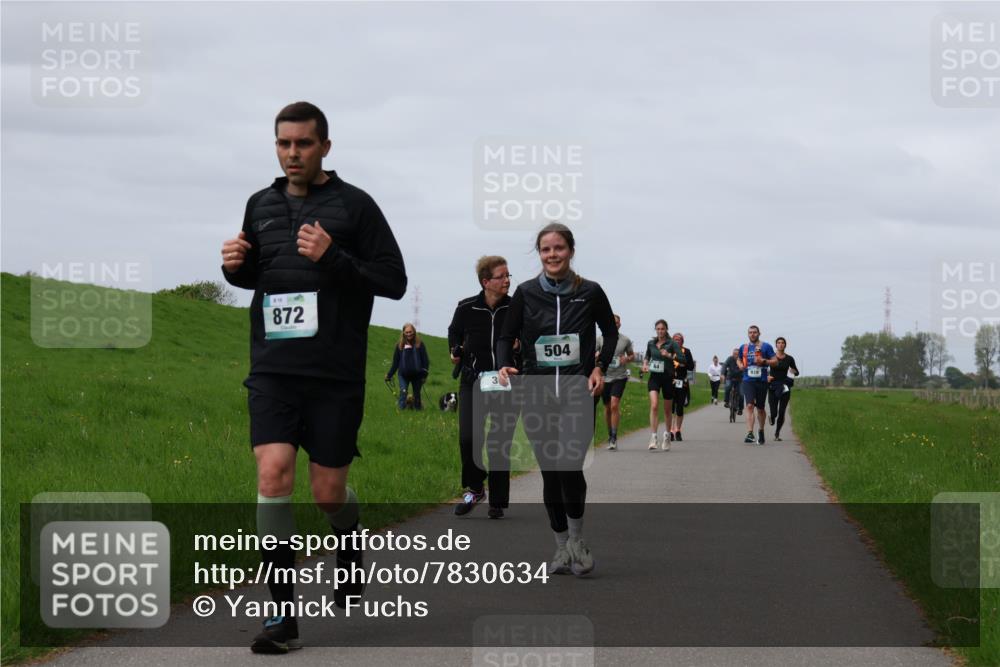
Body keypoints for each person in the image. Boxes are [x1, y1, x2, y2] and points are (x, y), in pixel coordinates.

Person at [221, 101, 407, 653]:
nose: (293, 153)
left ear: (325, 146)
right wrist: (234, 268)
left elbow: (393, 281)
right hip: (274, 370)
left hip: (334, 375)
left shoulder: (356, 206)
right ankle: (281, 616)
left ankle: (347, 538)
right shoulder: (260, 203)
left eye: (303, 143)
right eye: (284, 143)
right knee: (273, 473)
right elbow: (266, 272)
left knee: (327, 495)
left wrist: (334, 259)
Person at [497, 222, 617, 577]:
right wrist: (505, 363)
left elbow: (609, 333)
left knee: (569, 466)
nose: (552, 255)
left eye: (558, 248)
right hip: (536, 392)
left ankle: (578, 539)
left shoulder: (591, 292)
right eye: (546, 249)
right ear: (540, 254)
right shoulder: (526, 292)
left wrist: (599, 367)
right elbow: (506, 335)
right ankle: (561, 546)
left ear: (570, 250)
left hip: (577, 391)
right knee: (550, 473)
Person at [447, 256, 516, 518]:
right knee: (468, 438)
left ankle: (497, 500)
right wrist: (454, 350)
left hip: (506, 383)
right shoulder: (466, 307)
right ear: (486, 282)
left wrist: (519, 345)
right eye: (502, 276)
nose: (508, 280)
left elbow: (528, 334)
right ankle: (475, 489)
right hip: (472, 381)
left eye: (509, 275)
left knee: (499, 443)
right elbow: (453, 332)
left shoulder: (515, 307)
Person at [596, 314, 635, 450]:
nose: (615, 324)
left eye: (617, 322)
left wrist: (627, 359)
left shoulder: (625, 340)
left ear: (620, 324)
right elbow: (592, 355)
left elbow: (632, 355)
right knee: (607, 409)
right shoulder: (600, 339)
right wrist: (596, 356)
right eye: (612, 322)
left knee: (614, 405)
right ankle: (610, 433)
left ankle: (614, 436)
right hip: (605, 377)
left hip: (620, 376)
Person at [641, 320, 679, 450]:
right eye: (658, 329)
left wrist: (668, 355)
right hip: (654, 377)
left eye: (662, 329)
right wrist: (645, 364)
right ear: (655, 330)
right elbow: (647, 356)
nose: (660, 331)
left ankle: (667, 435)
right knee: (654, 405)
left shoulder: (672, 343)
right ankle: (653, 437)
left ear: (666, 329)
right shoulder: (651, 343)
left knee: (667, 410)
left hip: (668, 377)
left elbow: (681, 359)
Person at [736, 325, 777, 445]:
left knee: (760, 408)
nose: (752, 334)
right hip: (748, 380)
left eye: (755, 332)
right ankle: (750, 433)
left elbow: (775, 361)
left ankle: (761, 430)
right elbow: (738, 359)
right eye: (750, 332)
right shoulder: (744, 347)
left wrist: (764, 361)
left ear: (759, 333)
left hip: (762, 380)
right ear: (748, 334)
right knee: (749, 405)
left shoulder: (766, 346)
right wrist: (739, 364)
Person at [385, 323, 429, 410]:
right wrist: (389, 375)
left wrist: (424, 376)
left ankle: (418, 411)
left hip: (417, 375)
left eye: (410, 332)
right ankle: (401, 411)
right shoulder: (399, 345)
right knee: (403, 392)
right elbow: (395, 363)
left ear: (414, 332)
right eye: (407, 332)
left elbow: (425, 361)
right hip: (403, 375)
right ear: (403, 333)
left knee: (417, 395)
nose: (409, 334)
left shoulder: (420, 344)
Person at [767, 336, 800, 441]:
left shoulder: (789, 359)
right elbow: (763, 368)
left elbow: (796, 372)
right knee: (774, 413)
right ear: (776, 345)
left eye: (782, 343)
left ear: (785, 345)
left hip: (785, 386)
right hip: (772, 385)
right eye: (779, 343)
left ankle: (777, 433)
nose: (781, 344)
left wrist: (793, 371)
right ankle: (772, 417)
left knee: (782, 412)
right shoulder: (771, 357)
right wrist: (766, 376)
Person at [669, 333, 694, 442]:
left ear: (682, 341)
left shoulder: (686, 351)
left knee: (679, 407)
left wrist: (684, 364)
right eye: (675, 339)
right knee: (670, 407)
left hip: (681, 382)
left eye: (679, 339)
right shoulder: (669, 351)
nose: (677, 341)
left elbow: (691, 366)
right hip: (670, 381)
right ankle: (670, 430)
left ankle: (677, 430)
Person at [722, 348, 744, 414]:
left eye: (737, 354)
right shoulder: (730, 359)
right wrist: (722, 374)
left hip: (740, 379)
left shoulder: (742, 359)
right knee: (728, 387)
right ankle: (726, 402)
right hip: (730, 378)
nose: (736, 355)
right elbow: (724, 365)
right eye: (734, 354)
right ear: (732, 354)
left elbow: (746, 367)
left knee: (741, 394)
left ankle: (740, 409)